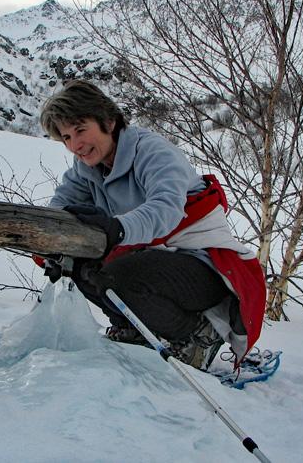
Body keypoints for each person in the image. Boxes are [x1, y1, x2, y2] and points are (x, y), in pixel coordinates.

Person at [38, 79, 266, 371]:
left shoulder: (152, 152)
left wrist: (117, 228)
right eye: (67, 137)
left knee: (120, 276)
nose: (75, 145)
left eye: (80, 130)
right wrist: (53, 249)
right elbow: (60, 207)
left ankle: (198, 336)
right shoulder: (85, 170)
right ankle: (132, 329)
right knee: (83, 268)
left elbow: (166, 209)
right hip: (152, 259)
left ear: (108, 120)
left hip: (202, 265)